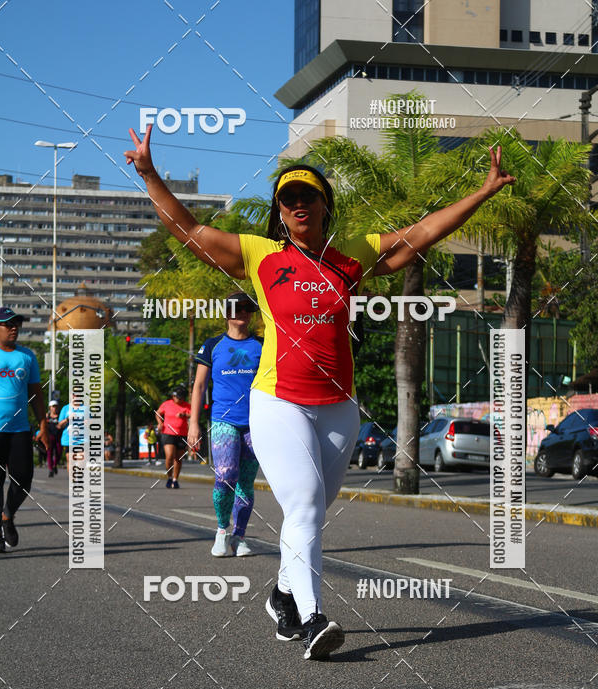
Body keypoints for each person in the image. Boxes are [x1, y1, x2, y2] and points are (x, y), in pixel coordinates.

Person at [125, 127, 514, 660]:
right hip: (278, 402)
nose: (298, 204)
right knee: (304, 504)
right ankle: (312, 620)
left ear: (325, 205)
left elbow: (422, 233)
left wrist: (484, 191)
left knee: (314, 508)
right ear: (280, 213)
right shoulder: (261, 256)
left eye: (308, 195)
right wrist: (149, 174)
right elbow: (188, 230)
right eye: (289, 199)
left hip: (339, 408)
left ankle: (282, 595)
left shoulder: (351, 257)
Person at [188, 292, 262, 558]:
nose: (241, 312)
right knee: (225, 476)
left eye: (246, 308)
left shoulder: (262, 346)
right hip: (223, 421)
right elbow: (198, 386)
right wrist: (193, 424)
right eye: (235, 308)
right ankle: (221, 531)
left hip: (256, 424)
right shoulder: (212, 345)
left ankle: (239, 537)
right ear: (226, 313)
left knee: (246, 482)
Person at [0, 307, 48, 551]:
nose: (14, 327)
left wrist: (43, 427)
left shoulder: (27, 357)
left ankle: (7, 515)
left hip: (19, 429)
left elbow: (36, 395)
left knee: (23, 480)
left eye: (17, 323)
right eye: (8, 324)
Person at [156, 386, 191, 488]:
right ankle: (169, 477)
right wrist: (160, 423)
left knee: (178, 459)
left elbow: (193, 415)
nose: (180, 399)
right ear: (173, 396)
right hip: (168, 433)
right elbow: (158, 413)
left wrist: (184, 415)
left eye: (182, 397)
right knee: (170, 456)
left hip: (182, 434)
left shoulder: (187, 406)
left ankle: (175, 480)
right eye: (178, 397)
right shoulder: (166, 404)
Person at [46, 400, 61, 477]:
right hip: (50, 436)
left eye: (55, 406)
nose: (54, 408)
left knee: (59, 452)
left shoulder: (60, 416)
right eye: (53, 406)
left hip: (58, 436)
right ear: (50, 407)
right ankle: (51, 469)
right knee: (49, 453)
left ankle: (55, 465)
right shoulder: (47, 416)